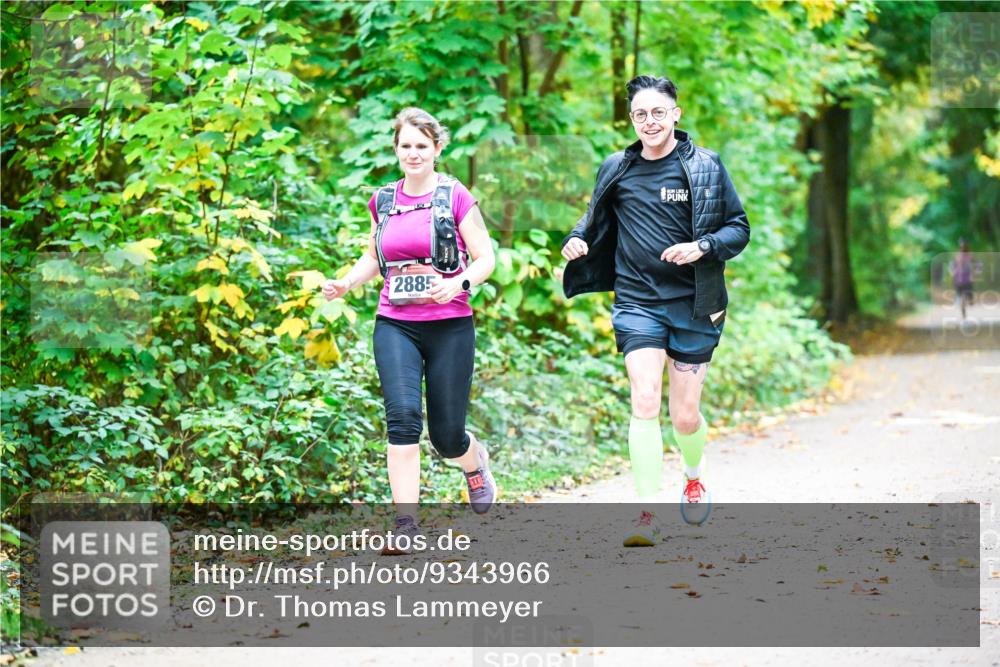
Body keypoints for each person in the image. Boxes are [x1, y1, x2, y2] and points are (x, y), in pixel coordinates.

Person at [561, 75, 750, 545]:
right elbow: (592, 221)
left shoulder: (705, 166)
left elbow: (739, 228)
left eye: (658, 112)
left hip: (693, 303)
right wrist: (576, 239)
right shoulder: (616, 168)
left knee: (685, 415)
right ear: (631, 119)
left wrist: (703, 246)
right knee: (644, 400)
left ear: (675, 115)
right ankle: (644, 515)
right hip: (636, 300)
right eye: (641, 114)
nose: (650, 121)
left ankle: (692, 474)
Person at [322, 107, 497, 552]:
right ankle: (406, 525)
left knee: (446, 436)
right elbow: (374, 257)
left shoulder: (455, 195)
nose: (413, 153)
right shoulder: (383, 200)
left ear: (437, 148)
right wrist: (347, 281)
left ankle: (474, 463)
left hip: (450, 325)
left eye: (422, 145)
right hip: (395, 323)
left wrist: (457, 283)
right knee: (401, 418)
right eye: (406, 146)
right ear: (396, 150)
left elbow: (486, 259)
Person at [950, 239, 975, 320]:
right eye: (961, 246)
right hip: (959, 278)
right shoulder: (957, 255)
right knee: (960, 297)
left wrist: (974, 274)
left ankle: (970, 299)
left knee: (970, 298)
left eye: (964, 246)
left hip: (967, 278)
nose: (962, 248)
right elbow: (952, 265)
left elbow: (976, 265)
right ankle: (963, 313)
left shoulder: (971, 256)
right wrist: (953, 273)